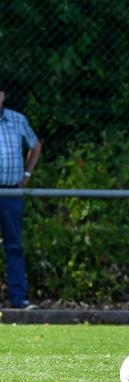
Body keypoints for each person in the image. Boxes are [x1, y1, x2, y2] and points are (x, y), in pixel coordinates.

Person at [0, 85, 42, 310]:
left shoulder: (17, 120)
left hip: (11, 193)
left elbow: (35, 146)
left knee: (14, 246)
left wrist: (27, 173)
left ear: (4, 96)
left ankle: (19, 298)